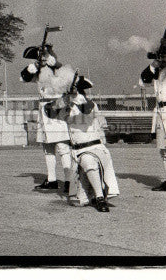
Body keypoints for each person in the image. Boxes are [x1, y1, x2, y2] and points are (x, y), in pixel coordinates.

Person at [44, 75, 119, 212]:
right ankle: (95, 194)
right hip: (77, 152)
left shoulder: (90, 104)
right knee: (78, 200)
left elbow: (86, 108)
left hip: (94, 147)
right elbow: (48, 111)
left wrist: (76, 96)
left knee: (89, 163)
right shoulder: (67, 109)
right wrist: (64, 99)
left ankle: (100, 198)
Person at [20, 42, 74, 192]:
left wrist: (55, 64)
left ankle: (69, 181)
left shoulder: (58, 68)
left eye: (45, 54)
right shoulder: (39, 70)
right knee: (47, 147)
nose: (42, 58)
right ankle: (52, 180)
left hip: (56, 107)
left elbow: (67, 80)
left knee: (63, 147)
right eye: (40, 55)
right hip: (43, 109)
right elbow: (23, 78)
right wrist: (31, 68)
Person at [140, 39, 166, 192]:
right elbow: (143, 80)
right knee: (165, 151)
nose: (161, 59)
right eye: (159, 56)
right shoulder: (157, 71)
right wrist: (152, 65)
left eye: (164, 56)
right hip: (161, 112)